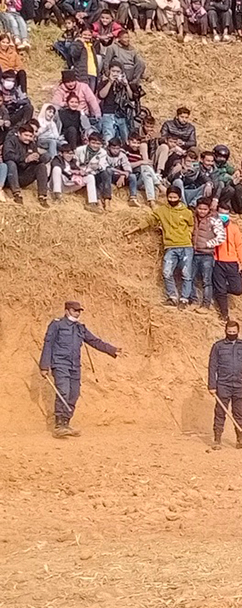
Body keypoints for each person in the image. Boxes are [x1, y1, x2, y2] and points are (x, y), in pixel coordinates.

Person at [39, 301, 121, 438]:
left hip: (75, 366)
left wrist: (112, 350)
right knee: (63, 392)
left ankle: (66, 422)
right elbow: (48, 343)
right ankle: (59, 425)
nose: (77, 313)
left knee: (74, 394)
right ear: (67, 311)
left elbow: (94, 341)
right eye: (74, 310)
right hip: (60, 364)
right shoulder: (57, 324)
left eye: (79, 311)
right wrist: (44, 366)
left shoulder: (80, 328)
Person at [129, 187, 196, 307]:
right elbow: (149, 220)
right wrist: (135, 229)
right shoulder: (162, 211)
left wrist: (188, 234)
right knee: (166, 272)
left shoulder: (187, 212)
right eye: (170, 197)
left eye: (175, 197)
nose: (172, 199)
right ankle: (172, 297)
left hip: (186, 246)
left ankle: (184, 299)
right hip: (170, 246)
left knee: (186, 274)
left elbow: (191, 225)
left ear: (179, 198)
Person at [207, 320, 242, 450]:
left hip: (239, 385)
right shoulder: (218, 346)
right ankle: (217, 441)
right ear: (225, 331)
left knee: (239, 413)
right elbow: (212, 367)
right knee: (220, 413)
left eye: (234, 332)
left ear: (238, 332)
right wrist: (211, 386)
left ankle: (241, 440)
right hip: (223, 384)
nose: (231, 334)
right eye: (229, 332)